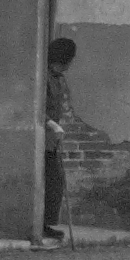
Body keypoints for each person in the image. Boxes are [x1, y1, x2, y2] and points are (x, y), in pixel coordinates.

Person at [41, 33, 77, 241]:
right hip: (43, 135)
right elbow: (37, 106)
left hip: (52, 140)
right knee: (48, 181)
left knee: (55, 182)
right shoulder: (44, 77)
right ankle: (41, 223)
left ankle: (47, 223)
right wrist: (51, 124)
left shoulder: (59, 79)